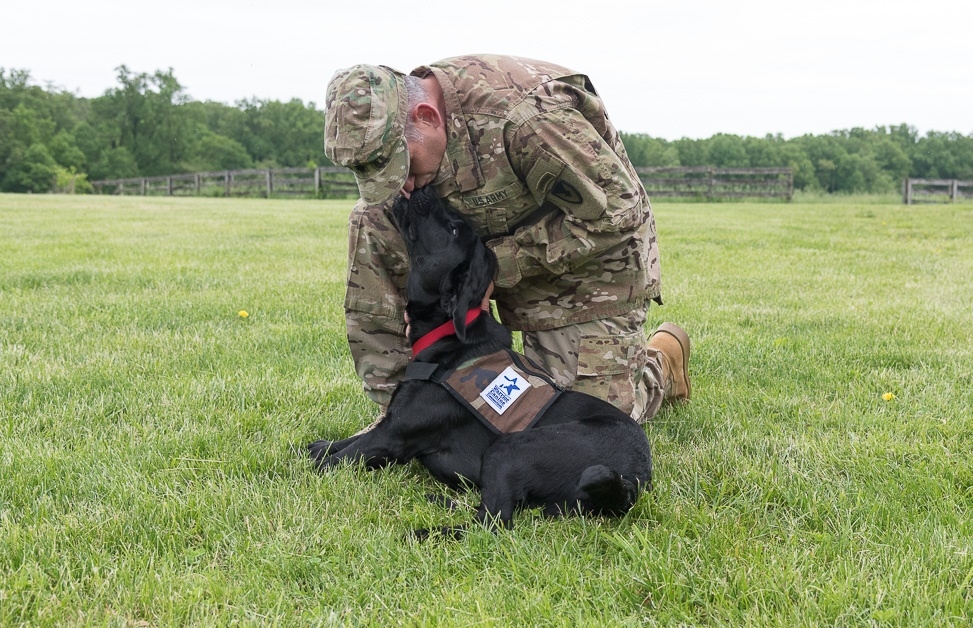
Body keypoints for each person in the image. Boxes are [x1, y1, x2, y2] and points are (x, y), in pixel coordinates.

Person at [323, 54, 690, 426]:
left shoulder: (526, 119)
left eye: (404, 165)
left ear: (427, 117)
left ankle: (660, 361)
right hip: (483, 254)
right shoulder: (411, 152)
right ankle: (404, 411)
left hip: (587, 265)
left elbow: (619, 213)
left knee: (571, 423)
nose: (402, 183)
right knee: (372, 215)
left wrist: (492, 268)